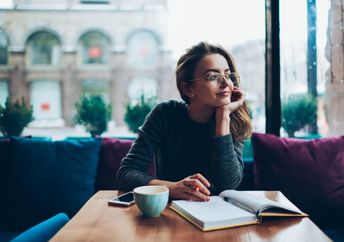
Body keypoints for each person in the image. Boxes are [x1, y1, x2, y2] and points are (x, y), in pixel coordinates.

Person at [117, 42, 252, 201]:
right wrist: (171, 188)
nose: (226, 84)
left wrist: (223, 117)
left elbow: (227, 185)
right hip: (170, 212)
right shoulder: (165, 114)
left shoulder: (233, 118)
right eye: (213, 77)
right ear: (188, 89)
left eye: (228, 75)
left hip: (218, 214)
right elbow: (126, 173)